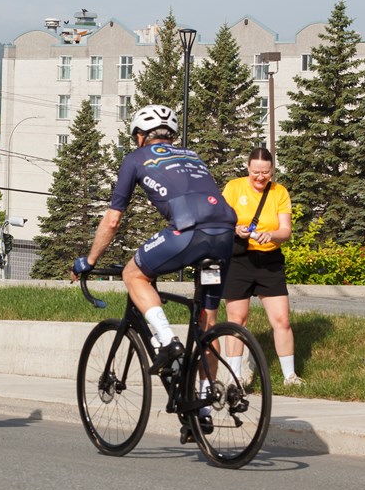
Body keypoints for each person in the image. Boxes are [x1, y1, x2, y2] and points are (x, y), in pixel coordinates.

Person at [71, 104, 237, 384]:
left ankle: (168, 341)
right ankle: (207, 401)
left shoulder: (136, 158)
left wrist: (90, 260)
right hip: (224, 234)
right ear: (171, 134)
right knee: (207, 323)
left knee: (133, 274)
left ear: (140, 136)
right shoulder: (192, 155)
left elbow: (112, 220)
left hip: (188, 233)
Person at [219, 147, 303, 386]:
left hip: (269, 261)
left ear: (272, 170)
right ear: (247, 168)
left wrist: (272, 235)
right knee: (237, 319)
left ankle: (290, 376)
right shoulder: (234, 187)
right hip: (239, 259)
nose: (260, 177)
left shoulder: (279, 192)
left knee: (282, 320)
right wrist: (236, 229)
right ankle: (234, 377)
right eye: (256, 172)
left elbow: (286, 231)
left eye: (265, 172)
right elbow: (221, 220)